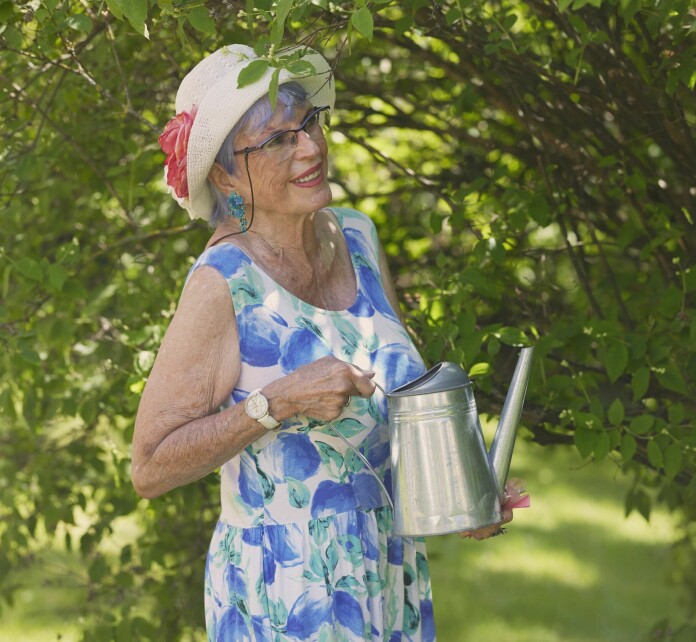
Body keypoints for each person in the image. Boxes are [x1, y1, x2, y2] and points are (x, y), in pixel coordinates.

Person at [131, 44, 510, 642]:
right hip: (287, 585)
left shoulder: (357, 237)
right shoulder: (223, 283)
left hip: (388, 571)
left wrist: (462, 491)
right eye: (277, 139)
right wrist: (276, 402)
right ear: (226, 175)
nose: (310, 147)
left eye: (308, 123)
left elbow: (390, 410)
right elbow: (149, 466)